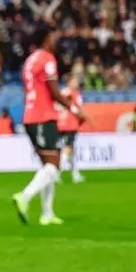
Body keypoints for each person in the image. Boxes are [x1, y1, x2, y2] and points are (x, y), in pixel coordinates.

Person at [12, 24, 82, 226]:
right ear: (45, 38)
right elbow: (54, 91)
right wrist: (73, 108)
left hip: (30, 116)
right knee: (54, 166)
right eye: (53, 36)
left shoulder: (30, 60)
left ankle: (47, 213)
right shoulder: (47, 59)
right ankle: (24, 196)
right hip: (43, 116)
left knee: (47, 166)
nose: (55, 40)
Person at [57, 76, 86, 183]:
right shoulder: (75, 94)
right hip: (70, 123)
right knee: (68, 148)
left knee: (71, 149)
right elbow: (78, 109)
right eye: (74, 81)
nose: (76, 83)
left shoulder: (60, 92)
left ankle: (75, 174)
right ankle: (56, 173)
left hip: (60, 122)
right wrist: (82, 117)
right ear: (69, 82)